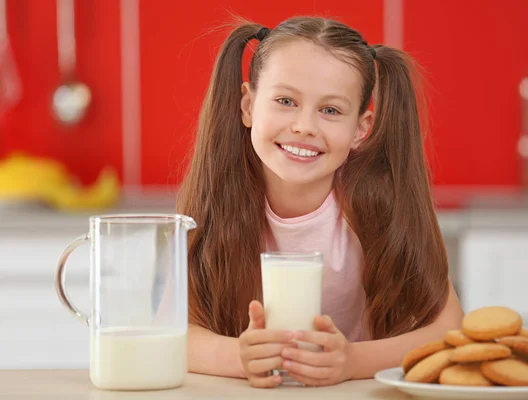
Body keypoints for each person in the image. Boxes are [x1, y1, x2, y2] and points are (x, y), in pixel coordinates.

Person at [177, 15, 464, 388]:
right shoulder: (212, 203)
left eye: (330, 110)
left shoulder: (381, 208)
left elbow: (448, 329)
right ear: (247, 105)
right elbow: (164, 328)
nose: (304, 126)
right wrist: (237, 356)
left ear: (361, 128)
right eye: (285, 101)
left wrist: (353, 360)